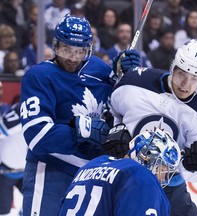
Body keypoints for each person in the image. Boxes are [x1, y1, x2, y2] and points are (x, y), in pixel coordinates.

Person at [19, 14, 140, 216]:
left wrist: (122, 75)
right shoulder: (39, 76)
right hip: (51, 170)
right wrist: (83, 130)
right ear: (56, 45)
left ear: (88, 49)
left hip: (92, 173)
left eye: (80, 51)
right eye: (66, 49)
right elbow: (36, 135)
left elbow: (119, 105)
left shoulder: (98, 68)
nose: (73, 58)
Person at [108, 39, 197, 216]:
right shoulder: (133, 82)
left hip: (169, 188)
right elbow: (109, 112)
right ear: (172, 67)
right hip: (124, 178)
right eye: (181, 74)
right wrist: (113, 130)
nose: (185, 84)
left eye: (195, 79)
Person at [58, 128, 181, 216]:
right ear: (149, 159)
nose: (163, 179)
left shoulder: (92, 165)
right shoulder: (142, 177)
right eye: (163, 170)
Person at [0, 102, 27, 216]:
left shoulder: (21, 108)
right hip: (5, 171)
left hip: (28, 170)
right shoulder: (18, 109)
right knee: (4, 210)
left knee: (34, 206)